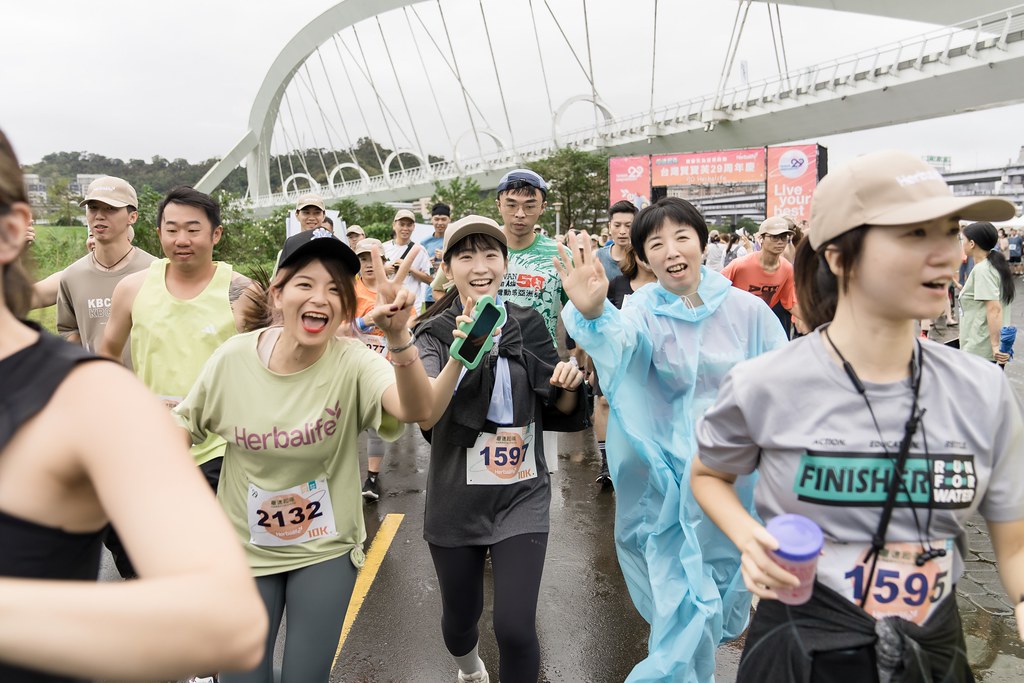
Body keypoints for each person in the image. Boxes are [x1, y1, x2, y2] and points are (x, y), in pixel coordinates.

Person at [691, 150, 1024, 682]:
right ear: (839, 257)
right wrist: (748, 536)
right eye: (915, 235)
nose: (946, 255)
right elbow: (709, 473)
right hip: (799, 644)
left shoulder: (982, 387)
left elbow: (1016, 539)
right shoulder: (765, 382)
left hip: (932, 650)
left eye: (948, 234)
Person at [0, 130, 267, 681]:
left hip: (196, 443)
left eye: (193, 229)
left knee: (183, 568)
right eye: (91, 210)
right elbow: (94, 341)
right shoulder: (83, 278)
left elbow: (223, 619)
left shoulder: (213, 287)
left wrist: (111, 410)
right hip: (131, 425)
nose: (98, 219)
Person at [174, 229, 433, 683]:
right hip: (243, 547)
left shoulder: (353, 361)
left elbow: (415, 409)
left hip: (323, 545)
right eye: (306, 284)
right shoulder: (233, 360)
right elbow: (182, 427)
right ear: (278, 291)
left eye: (336, 289)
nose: (321, 298)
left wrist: (399, 340)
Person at [557, 198, 788, 681]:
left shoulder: (748, 313)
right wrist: (594, 313)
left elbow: (783, 386)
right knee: (680, 608)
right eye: (655, 243)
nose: (671, 250)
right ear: (643, 256)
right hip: (664, 489)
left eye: (682, 236)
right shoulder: (640, 311)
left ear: (703, 244)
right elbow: (616, 343)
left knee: (719, 605)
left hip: (731, 489)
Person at [414, 215, 589, 683]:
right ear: (447, 267)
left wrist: (570, 383)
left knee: (514, 626)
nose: (480, 266)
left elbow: (558, 400)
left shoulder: (527, 323)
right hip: (456, 496)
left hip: (522, 493)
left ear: (505, 263)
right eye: (466, 255)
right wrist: (466, 350)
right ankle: (469, 669)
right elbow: (427, 410)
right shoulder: (432, 332)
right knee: (459, 621)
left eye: (491, 254)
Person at [100, 187, 257, 578]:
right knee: (126, 540)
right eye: (172, 230)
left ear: (215, 235)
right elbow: (106, 357)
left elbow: (270, 366)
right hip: (151, 444)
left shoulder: (242, 294)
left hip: (221, 448)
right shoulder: (133, 289)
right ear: (158, 233)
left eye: (193, 229)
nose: (181, 240)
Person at [56, 176, 156, 363]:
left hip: (145, 388)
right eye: (93, 207)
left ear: (132, 217)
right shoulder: (72, 276)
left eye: (111, 208)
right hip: (96, 386)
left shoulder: (155, 272)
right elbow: (67, 329)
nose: (100, 215)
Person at [351, 237, 417, 500]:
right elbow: (336, 326)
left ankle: (372, 478)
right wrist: (363, 322)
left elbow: (408, 327)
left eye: (374, 258)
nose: (368, 264)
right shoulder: (348, 290)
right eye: (363, 259)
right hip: (353, 364)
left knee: (377, 424)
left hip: (385, 365)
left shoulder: (394, 291)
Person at [591, 245, 658, 487]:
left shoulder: (666, 287)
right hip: (613, 356)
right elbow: (600, 320)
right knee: (604, 402)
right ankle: (607, 462)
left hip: (650, 359)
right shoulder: (618, 283)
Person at [721, 216, 799, 333]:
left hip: (761, 327)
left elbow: (790, 303)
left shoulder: (787, 269)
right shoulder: (740, 265)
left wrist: (818, 321)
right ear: (761, 238)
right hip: (734, 326)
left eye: (783, 237)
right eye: (774, 237)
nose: (780, 242)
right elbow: (715, 289)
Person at [959, 221, 1014, 365]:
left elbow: (994, 308)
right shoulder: (993, 265)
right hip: (985, 345)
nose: (961, 243)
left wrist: (995, 346)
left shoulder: (983, 270)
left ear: (972, 243)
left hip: (981, 347)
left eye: (962, 240)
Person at [383, 208, 433, 310]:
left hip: (413, 307)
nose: (405, 228)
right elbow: (372, 276)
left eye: (409, 225)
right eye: (402, 224)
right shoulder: (383, 248)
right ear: (394, 225)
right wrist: (385, 270)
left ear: (413, 227)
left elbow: (430, 280)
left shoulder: (420, 250)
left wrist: (409, 268)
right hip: (389, 305)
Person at [421, 203, 450, 307]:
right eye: (437, 219)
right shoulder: (424, 243)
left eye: (443, 219)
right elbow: (420, 268)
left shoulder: (454, 239)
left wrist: (445, 256)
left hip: (450, 292)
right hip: (430, 293)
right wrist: (428, 263)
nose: (440, 222)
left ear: (449, 220)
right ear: (432, 220)